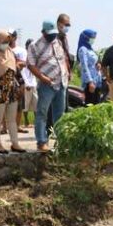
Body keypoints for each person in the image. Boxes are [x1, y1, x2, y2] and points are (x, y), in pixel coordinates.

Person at [27, 20, 68, 153]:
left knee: (60, 114)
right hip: (46, 84)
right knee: (42, 113)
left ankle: (61, 141)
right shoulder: (35, 45)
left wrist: (67, 71)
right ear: (43, 32)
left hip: (61, 83)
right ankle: (42, 142)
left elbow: (63, 58)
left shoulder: (57, 41)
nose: (52, 36)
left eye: (54, 33)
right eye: (49, 34)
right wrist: (42, 77)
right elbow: (31, 65)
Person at [9, 30, 29, 133]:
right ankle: (4, 127)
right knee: (5, 103)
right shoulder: (2, 49)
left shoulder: (21, 51)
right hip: (6, 80)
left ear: (15, 37)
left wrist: (16, 64)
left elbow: (25, 63)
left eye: (11, 36)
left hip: (20, 79)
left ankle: (17, 126)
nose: (9, 38)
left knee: (19, 105)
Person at [77, 29, 102, 105]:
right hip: (90, 82)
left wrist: (97, 64)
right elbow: (84, 66)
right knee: (90, 106)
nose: (93, 39)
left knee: (97, 105)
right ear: (86, 38)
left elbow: (93, 62)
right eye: (92, 37)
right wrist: (90, 82)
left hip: (96, 81)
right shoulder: (83, 49)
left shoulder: (90, 49)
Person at [20, 38, 37, 128]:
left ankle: (37, 121)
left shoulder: (34, 57)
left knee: (36, 103)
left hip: (34, 83)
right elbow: (22, 71)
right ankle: (26, 121)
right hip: (27, 84)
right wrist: (26, 83)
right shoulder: (24, 55)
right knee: (25, 105)